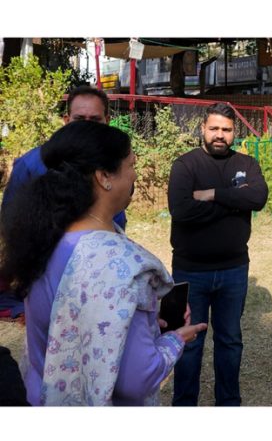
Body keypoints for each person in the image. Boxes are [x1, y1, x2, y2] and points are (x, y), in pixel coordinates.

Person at [0, 121, 206, 406]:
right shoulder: (119, 263)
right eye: (131, 165)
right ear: (104, 176)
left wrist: (143, 330)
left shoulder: (45, 238)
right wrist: (174, 340)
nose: (136, 174)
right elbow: (136, 380)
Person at [167, 102, 268, 406]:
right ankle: (184, 406)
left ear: (234, 131)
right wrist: (235, 203)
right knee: (186, 343)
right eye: (214, 129)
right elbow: (182, 210)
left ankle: (228, 404)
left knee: (230, 342)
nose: (220, 135)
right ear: (203, 129)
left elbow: (259, 197)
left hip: (233, 270)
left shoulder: (247, 163)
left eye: (226, 129)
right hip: (188, 271)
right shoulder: (185, 165)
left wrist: (212, 195)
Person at [1, 85, 126, 230]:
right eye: (79, 119)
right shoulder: (31, 164)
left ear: (107, 121)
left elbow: (117, 218)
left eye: (95, 119)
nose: (86, 126)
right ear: (66, 120)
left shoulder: (116, 164)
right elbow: (10, 221)